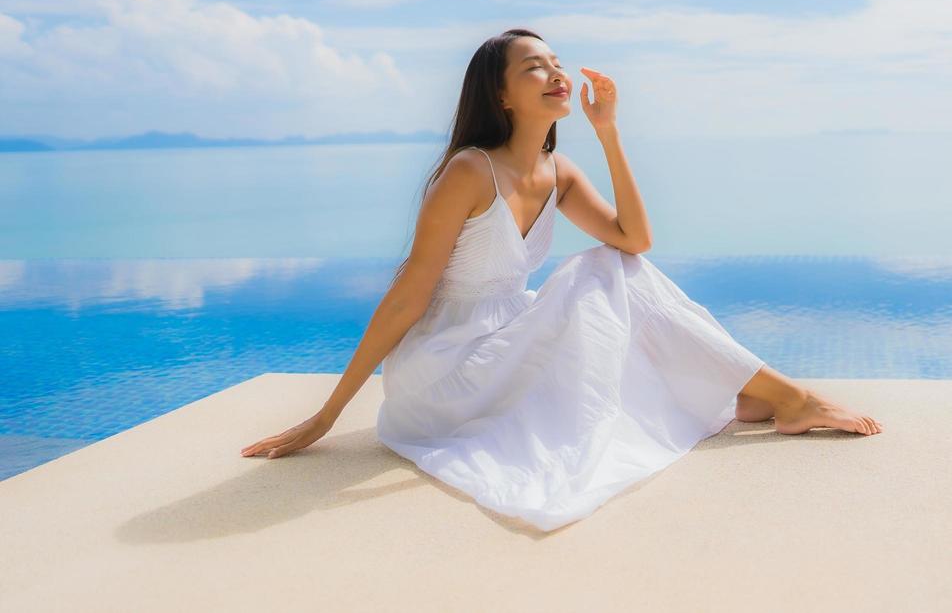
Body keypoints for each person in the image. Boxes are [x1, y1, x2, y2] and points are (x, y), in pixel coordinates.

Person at [240, 28, 882, 530]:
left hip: (504, 343)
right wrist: (328, 414)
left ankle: (751, 390)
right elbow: (410, 293)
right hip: (445, 369)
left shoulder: (557, 169)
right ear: (501, 95)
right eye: (534, 69)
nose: (556, 75)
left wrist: (608, 133)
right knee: (599, 272)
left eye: (556, 63)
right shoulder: (469, 172)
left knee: (617, 268)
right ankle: (789, 399)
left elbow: (637, 241)